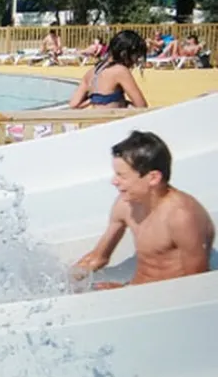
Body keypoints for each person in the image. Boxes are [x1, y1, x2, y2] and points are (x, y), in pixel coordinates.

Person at [73, 131, 214, 290]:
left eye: (122, 176)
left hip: (169, 299)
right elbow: (98, 258)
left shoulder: (182, 216)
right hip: (135, 290)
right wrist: (66, 283)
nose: (114, 181)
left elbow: (197, 283)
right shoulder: (125, 204)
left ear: (153, 178)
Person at [68, 30, 148, 109]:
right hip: (114, 120)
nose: (136, 60)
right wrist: (125, 104)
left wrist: (93, 100)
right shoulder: (121, 71)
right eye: (136, 56)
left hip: (97, 120)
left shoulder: (91, 73)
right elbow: (141, 106)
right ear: (124, 53)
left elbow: (74, 105)